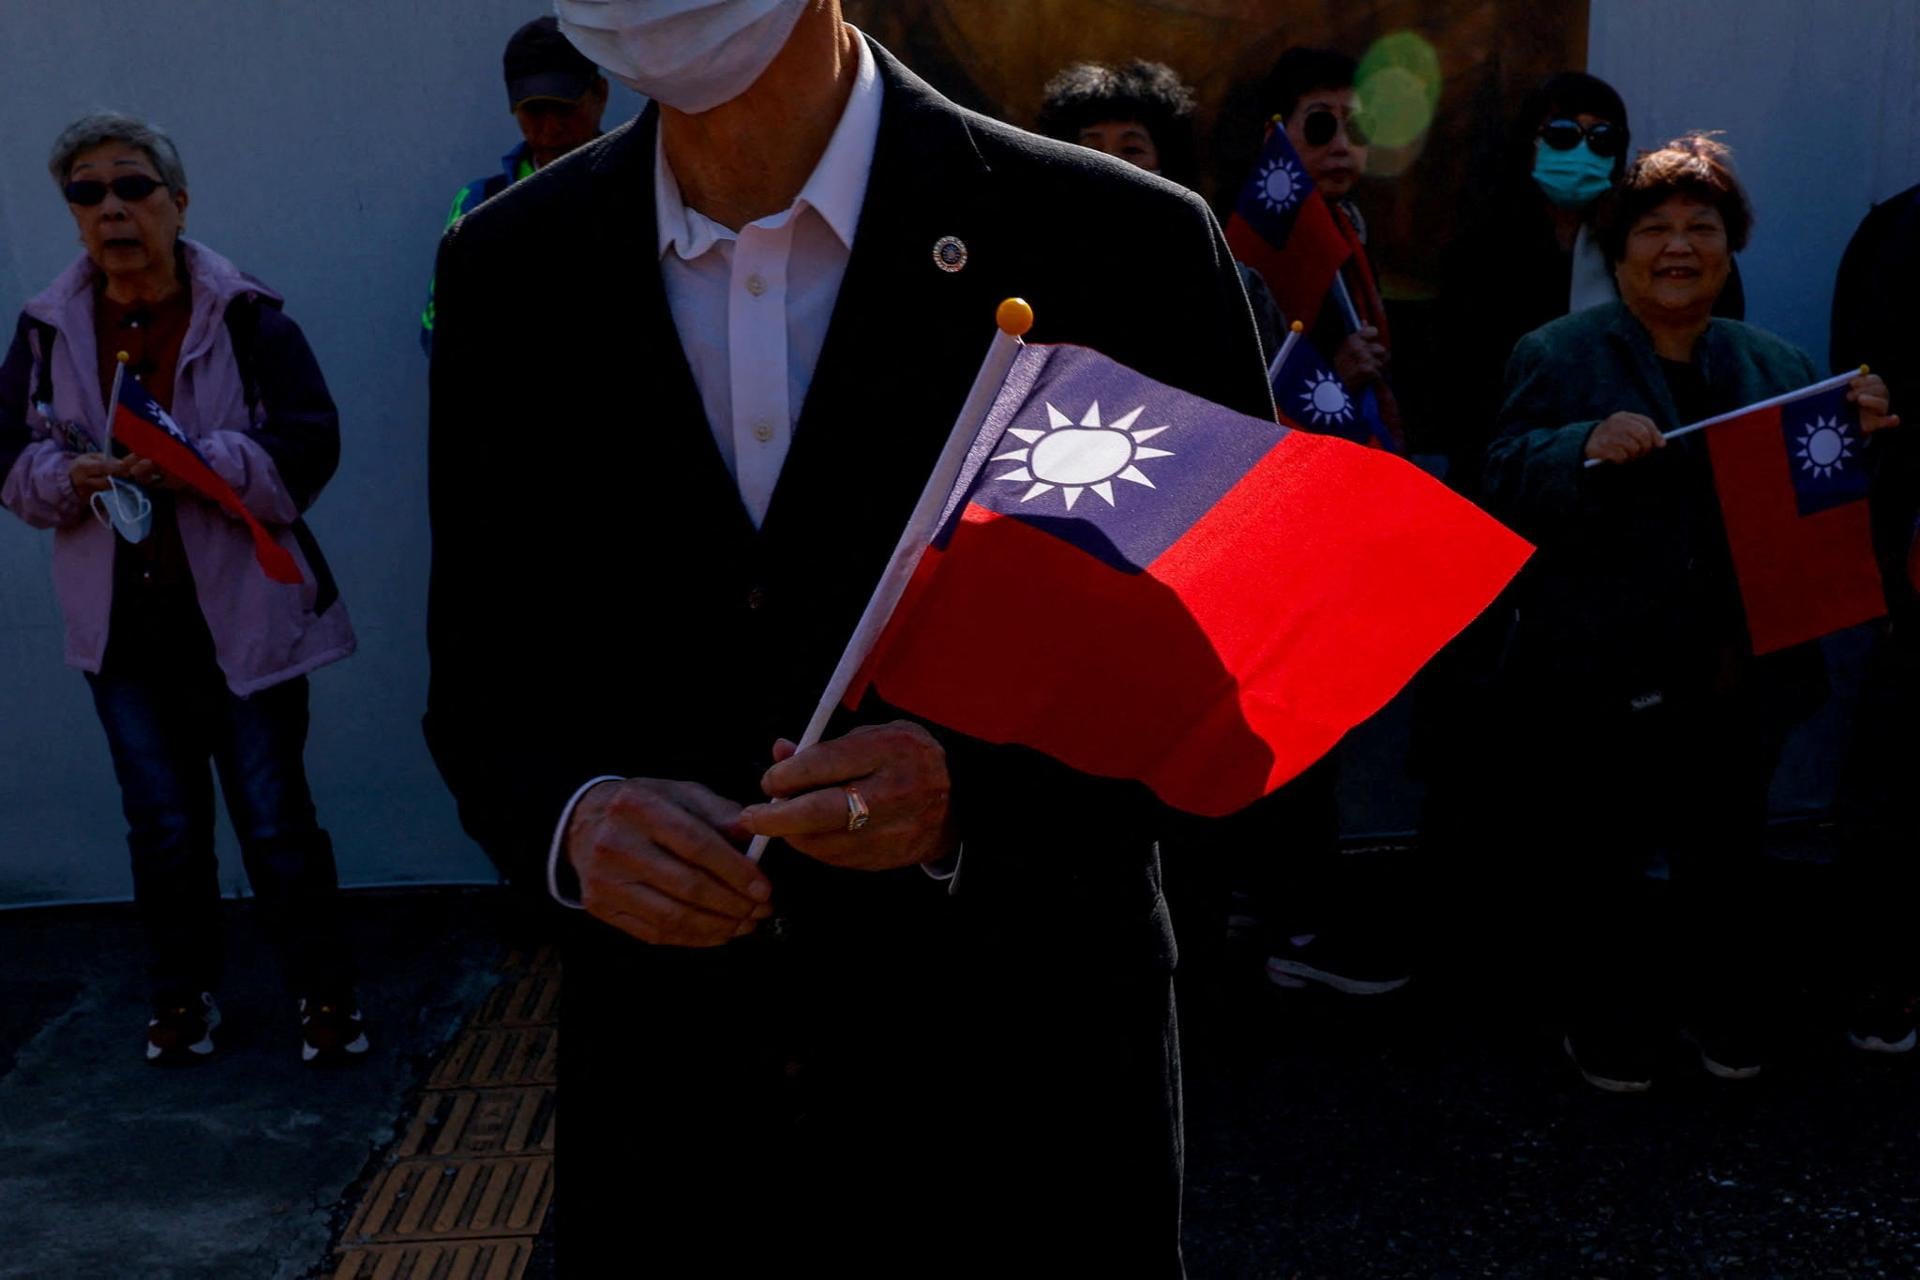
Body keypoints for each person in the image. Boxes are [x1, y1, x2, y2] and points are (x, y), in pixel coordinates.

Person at [424, 2, 1270, 1273]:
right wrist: (576, 819)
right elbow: (485, 677)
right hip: (678, 1118)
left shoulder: (1115, 241)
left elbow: (1224, 671)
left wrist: (970, 799)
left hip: (1020, 1105)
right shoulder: (514, 263)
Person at [1480, 134, 1897, 1092]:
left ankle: (1723, 1006)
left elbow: (1820, 505)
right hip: (1602, 664)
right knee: (1604, 856)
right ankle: (1605, 1018)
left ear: (1729, 246)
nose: (1678, 246)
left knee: (1726, 849)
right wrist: (1581, 443)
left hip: (1738, 663)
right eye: (1654, 229)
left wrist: (1860, 435)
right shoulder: (1556, 354)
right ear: (1619, 251)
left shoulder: (1780, 364)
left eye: (1701, 227)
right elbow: (1498, 477)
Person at [0, 112, 362, 1066]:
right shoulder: (46, 330)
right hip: (124, 633)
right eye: (87, 193)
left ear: (178, 203)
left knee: (276, 824)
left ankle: (324, 996)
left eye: (132, 187)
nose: (111, 209)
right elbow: (9, 458)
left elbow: (311, 444)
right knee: (162, 828)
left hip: (244, 620)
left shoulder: (247, 318)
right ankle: (182, 998)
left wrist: (202, 464)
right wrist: (66, 476)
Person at [1828, 177, 1920, 1054]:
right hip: (1914, 548)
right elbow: (1858, 405)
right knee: (1898, 766)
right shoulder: (1900, 230)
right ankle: (1882, 975)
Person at [1035, 58, 1283, 359]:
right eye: (1092, 149)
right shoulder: (1039, 279)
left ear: (1167, 165)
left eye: (1131, 150)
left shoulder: (1226, 286)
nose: (1111, 163)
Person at [417, 15, 608, 352]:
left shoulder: (643, 189)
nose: (550, 129)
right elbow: (439, 332)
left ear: (600, 95)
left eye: (564, 108)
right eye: (534, 111)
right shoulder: (479, 205)